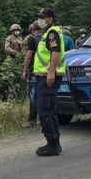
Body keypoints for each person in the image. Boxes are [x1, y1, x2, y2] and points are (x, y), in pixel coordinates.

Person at [32, 8, 65, 156]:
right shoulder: (49, 33)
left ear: (50, 19)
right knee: (50, 110)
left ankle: (52, 143)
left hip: (48, 77)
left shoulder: (52, 33)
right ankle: (55, 142)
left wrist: (51, 73)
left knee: (44, 111)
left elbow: (55, 52)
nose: (40, 20)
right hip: (46, 76)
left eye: (43, 18)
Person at [21, 21, 42, 128]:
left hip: (35, 71)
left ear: (33, 29)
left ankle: (32, 119)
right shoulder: (48, 38)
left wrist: (24, 70)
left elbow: (28, 56)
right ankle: (44, 119)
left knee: (33, 95)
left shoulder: (33, 39)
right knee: (45, 95)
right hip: (48, 71)